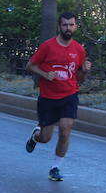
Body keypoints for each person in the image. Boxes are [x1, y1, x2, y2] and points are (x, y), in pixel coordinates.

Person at [24, 12, 91, 181]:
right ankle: (35, 135)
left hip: (69, 94)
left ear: (75, 26)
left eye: (71, 25)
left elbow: (79, 78)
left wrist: (85, 71)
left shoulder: (79, 49)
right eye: (65, 25)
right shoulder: (48, 46)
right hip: (48, 97)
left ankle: (55, 167)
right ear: (59, 26)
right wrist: (45, 75)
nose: (68, 28)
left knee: (65, 130)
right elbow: (30, 66)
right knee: (45, 138)